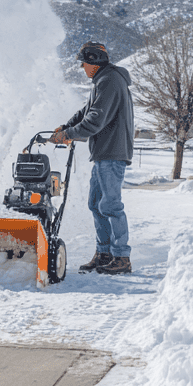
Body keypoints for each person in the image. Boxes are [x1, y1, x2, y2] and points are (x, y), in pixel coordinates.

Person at [52, 41, 134, 275]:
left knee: (110, 205)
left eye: (84, 63)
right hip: (103, 153)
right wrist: (65, 127)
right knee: (95, 205)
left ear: (94, 62)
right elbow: (86, 111)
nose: (82, 68)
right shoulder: (102, 81)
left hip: (112, 153)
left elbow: (95, 120)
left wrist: (68, 135)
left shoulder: (109, 81)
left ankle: (121, 257)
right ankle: (104, 253)